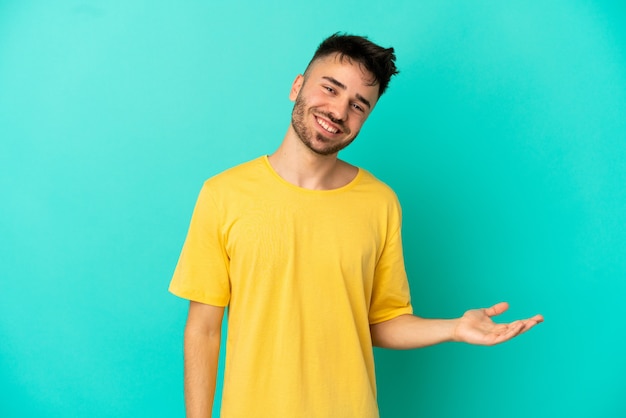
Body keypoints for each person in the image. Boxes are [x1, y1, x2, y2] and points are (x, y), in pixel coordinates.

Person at [169, 33, 544, 418]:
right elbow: (203, 329)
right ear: (297, 85)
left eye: (358, 105)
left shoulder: (380, 203)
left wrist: (453, 328)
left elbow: (381, 322)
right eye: (330, 88)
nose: (337, 111)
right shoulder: (224, 194)